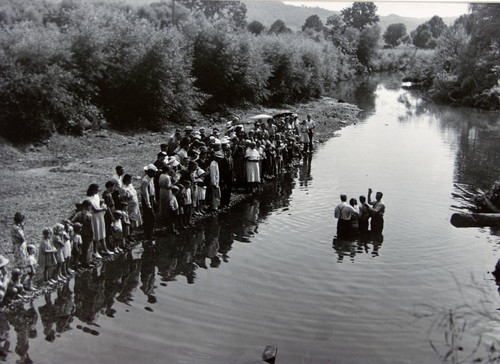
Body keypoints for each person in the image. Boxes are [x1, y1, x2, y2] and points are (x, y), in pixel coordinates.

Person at [86, 183, 113, 258]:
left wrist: (102, 205)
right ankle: (95, 251)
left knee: (101, 232)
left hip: (100, 216)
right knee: (96, 234)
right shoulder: (89, 199)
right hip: (94, 217)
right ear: (93, 190)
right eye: (96, 190)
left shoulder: (96, 196)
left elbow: (99, 204)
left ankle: (105, 249)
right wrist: (103, 208)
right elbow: (95, 209)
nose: (98, 191)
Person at [11, 212, 28, 288]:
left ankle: (20, 283)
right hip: (19, 247)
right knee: (20, 265)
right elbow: (23, 238)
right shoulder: (17, 228)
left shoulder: (15, 227)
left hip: (18, 246)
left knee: (20, 264)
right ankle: (19, 284)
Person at [141, 164, 157, 241]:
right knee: (148, 217)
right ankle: (147, 234)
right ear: (150, 172)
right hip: (147, 200)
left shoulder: (151, 179)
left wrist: (154, 199)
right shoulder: (145, 181)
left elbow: (152, 190)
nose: (155, 174)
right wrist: (148, 204)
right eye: (154, 172)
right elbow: (145, 193)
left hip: (151, 198)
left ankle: (150, 233)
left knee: (151, 217)